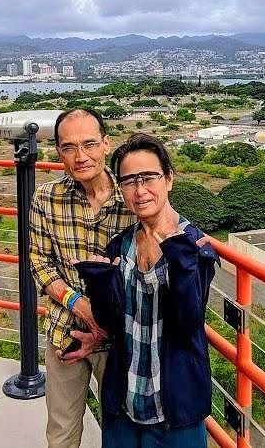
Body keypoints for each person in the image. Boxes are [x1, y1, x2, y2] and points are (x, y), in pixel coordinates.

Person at [74, 133, 219, 448]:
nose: (140, 190)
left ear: (168, 179)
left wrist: (181, 263)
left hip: (175, 407)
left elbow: (187, 323)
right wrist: (97, 281)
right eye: (129, 181)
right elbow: (114, 324)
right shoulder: (121, 244)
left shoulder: (196, 246)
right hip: (124, 399)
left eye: (149, 177)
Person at [30, 108, 135, 448]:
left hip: (121, 337)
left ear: (107, 144)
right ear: (58, 151)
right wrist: (81, 305)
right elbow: (39, 261)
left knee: (121, 430)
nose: (81, 156)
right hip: (65, 329)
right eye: (68, 147)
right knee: (61, 432)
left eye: (89, 144)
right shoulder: (46, 198)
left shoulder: (133, 200)